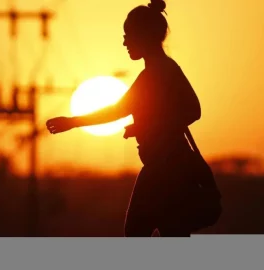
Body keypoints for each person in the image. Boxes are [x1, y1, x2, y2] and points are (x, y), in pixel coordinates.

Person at [46, 0, 201, 237]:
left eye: (129, 35)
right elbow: (121, 109)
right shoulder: (155, 72)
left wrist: (72, 122)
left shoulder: (161, 70)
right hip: (164, 169)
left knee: (140, 232)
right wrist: (73, 122)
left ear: (145, 36)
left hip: (168, 170)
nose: (125, 42)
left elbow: (193, 110)